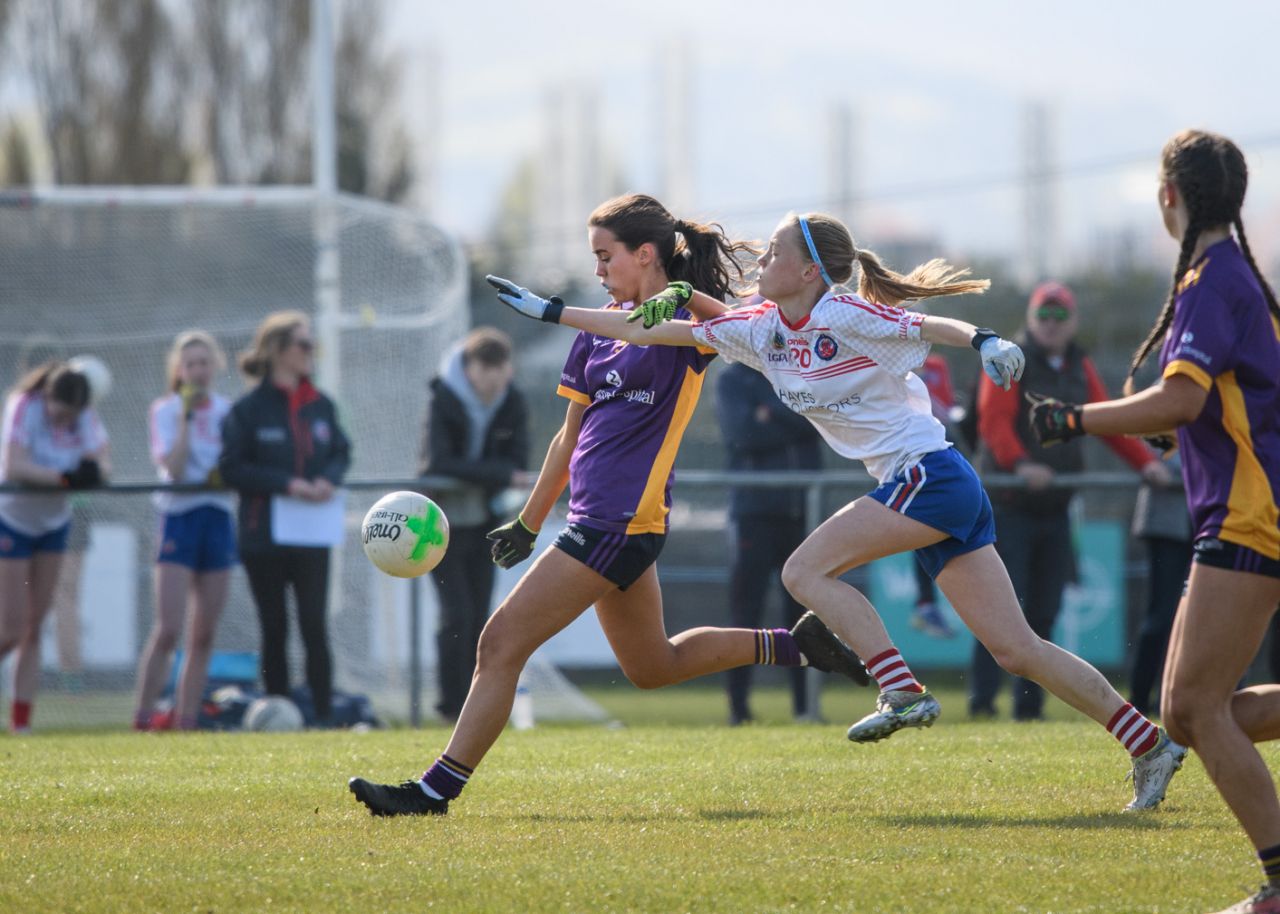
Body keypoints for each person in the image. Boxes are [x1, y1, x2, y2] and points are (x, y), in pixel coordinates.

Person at [494, 208, 1188, 812]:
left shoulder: (841, 311)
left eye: (774, 254)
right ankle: (1148, 745)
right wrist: (556, 312)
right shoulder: (764, 330)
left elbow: (926, 322)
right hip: (934, 486)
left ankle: (899, 689)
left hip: (930, 475)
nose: (760, 262)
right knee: (1017, 650)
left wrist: (984, 340)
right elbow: (656, 333)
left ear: (808, 274)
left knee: (804, 571)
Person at [348, 193, 867, 817]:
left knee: (499, 643)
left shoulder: (684, 327)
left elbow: (738, 319)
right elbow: (569, 437)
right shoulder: (598, 332)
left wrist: (678, 293)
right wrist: (529, 521)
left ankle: (434, 791)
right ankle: (797, 645)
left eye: (605, 256)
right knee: (653, 665)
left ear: (644, 254)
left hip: (618, 526)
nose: (597, 270)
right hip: (602, 523)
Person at [1027, 130, 1280, 914]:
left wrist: (1075, 420)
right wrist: (1186, 429)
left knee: (1195, 709)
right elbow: (1220, 402)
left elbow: (1183, 398)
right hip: (1248, 504)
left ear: (1170, 196)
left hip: (1247, 512)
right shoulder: (1230, 276)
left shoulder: (1212, 280)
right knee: (1185, 711)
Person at [970, 281, 1171, 720]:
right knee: (1001, 611)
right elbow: (993, 423)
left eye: (1060, 316)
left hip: (1055, 506)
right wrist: (1023, 466)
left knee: (1044, 609)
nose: (1051, 324)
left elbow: (1105, 419)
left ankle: (1029, 708)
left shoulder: (1079, 363)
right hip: (1008, 504)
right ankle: (982, 704)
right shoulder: (1010, 357)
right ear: (1030, 317)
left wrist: (1146, 465)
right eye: (1044, 314)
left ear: (1073, 321)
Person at [219, 312, 350, 726]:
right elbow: (232, 468)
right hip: (263, 537)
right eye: (303, 345)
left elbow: (341, 453)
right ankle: (277, 713)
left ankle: (324, 717)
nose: (310, 353)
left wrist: (327, 481)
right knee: (274, 627)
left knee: (315, 624)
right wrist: (288, 484)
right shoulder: (249, 409)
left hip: (313, 533)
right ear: (277, 350)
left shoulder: (321, 404)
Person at [418, 327, 529, 722]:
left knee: (481, 617)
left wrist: (491, 475)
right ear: (469, 368)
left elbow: (519, 461)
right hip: (438, 525)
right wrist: (496, 474)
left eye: (502, 368)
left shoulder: (512, 400)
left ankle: (473, 707)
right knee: (456, 615)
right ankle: (449, 707)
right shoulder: (443, 397)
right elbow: (438, 464)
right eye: (487, 367)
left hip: (486, 523)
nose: (495, 377)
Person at [133, 331, 236, 731]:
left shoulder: (228, 411)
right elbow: (173, 468)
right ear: (179, 369)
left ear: (216, 366)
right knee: (169, 628)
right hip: (179, 517)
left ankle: (186, 718)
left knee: (204, 632)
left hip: (217, 517)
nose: (198, 370)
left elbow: (234, 466)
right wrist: (186, 418)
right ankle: (142, 715)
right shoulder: (165, 409)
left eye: (204, 362)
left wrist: (223, 474)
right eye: (190, 363)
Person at [0, 361, 109, 732]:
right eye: (59, 414)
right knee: (10, 630)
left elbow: (102, 459)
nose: (64, 423)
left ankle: (21, 723)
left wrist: (94, 472)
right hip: (12, 521)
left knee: (34, 625)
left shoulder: (84, 415)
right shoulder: (24, 406)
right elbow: (14, 466)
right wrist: (63, 478)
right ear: (47, 397)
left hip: (53, 525)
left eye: (71, 417)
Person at [716, 358, 824, 725]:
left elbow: (821, 423)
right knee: (745, 613)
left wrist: (771, 413)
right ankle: (738, 710)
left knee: (803, 616)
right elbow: (740, 434)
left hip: (802, 514)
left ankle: (804, 709)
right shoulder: (732, 378)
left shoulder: (798, 372)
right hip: (753, 513)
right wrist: (792, 414)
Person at [1127, 450, 1192, 718]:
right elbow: (1149, 453)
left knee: (1210, 617)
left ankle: (1199, 698)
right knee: (1161, 617)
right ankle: (1139, 703)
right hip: (1169, 523)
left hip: (1212, 522)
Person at [908, 352, 959, 639]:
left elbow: (945, 409)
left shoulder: (938, 364)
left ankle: (928, 603)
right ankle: (926, 603)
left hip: (936, 457)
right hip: (904, 461)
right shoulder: (887, 357)